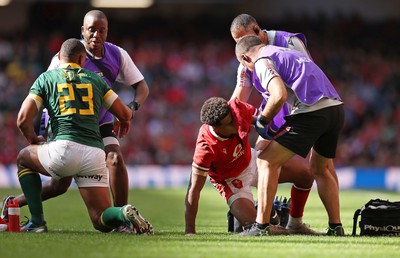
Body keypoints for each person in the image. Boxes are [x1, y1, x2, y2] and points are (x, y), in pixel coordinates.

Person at [2, 10, 149, 226]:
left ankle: (123, 220)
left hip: (100, 123)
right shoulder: (62, 58)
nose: (96, 35)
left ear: (107, 33)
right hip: (68, 125)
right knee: (58, 186)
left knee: (115, 158)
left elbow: (142, 86)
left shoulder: (117, 54)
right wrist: (44, 132)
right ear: (83, 30)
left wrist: (131, 109)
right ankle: (14, 202)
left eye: (102, 31)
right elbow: (49, 94)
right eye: (92, 30)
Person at [235, 35, 344, 236]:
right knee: (319, 168)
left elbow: (279, 95)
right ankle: (336, 227)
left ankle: (261, 227)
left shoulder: (261, 61)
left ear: (245, 58)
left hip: (312, 110)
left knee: (267, 161)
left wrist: (262, 121)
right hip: (335, 108)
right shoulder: (284, 51)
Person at [185, 97, 319, 236]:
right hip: (231, 181)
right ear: (216, 127)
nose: (235, 124)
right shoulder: (205, 147)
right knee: (257, 228)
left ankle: (295, 224)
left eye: (233, 119)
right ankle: (266, 214)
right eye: (230, 123)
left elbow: (263, 122)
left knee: (306, 173)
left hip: (252, 160)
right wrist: (190, 231)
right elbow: (193, 190)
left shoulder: (237, 109)